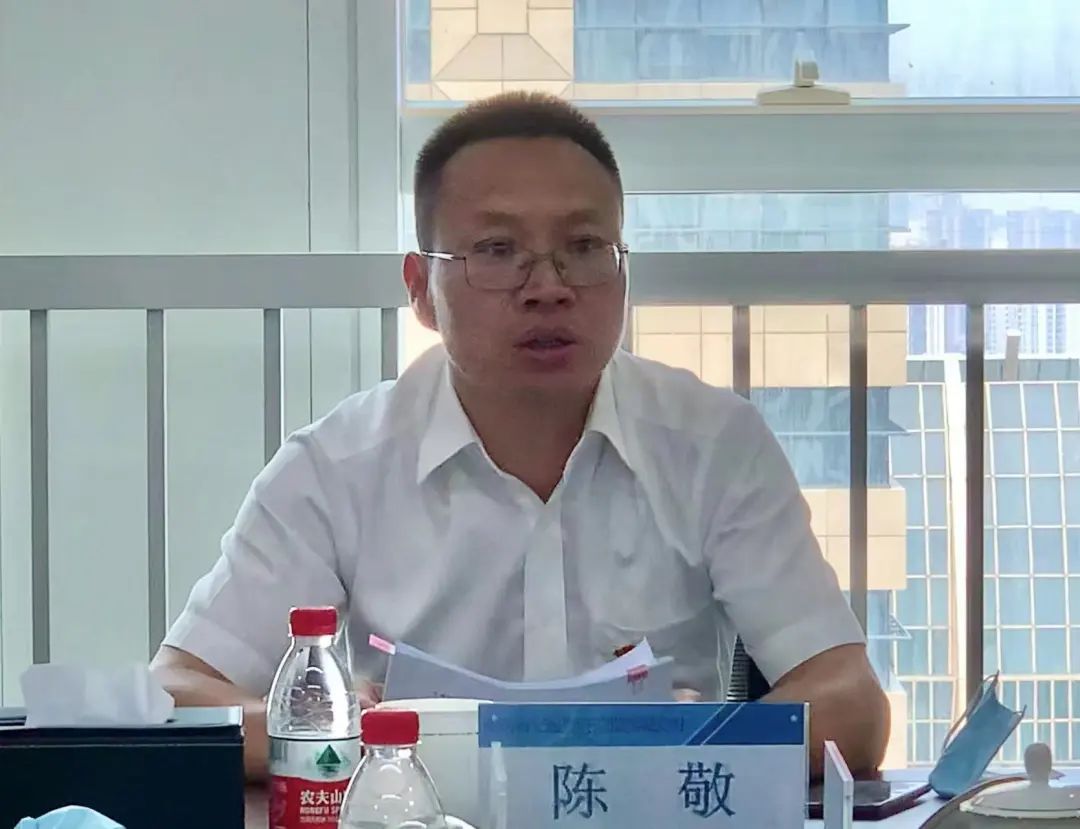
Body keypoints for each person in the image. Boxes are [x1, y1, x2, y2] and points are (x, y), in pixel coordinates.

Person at [151, 91, 889, 780]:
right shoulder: (337, 465)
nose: (549, 287)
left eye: (585, 246)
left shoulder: (712, 443)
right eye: (498, 251)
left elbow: (850, 706)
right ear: (420, 290)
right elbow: (179, 689)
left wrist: (687, 748)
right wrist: (339, 730)